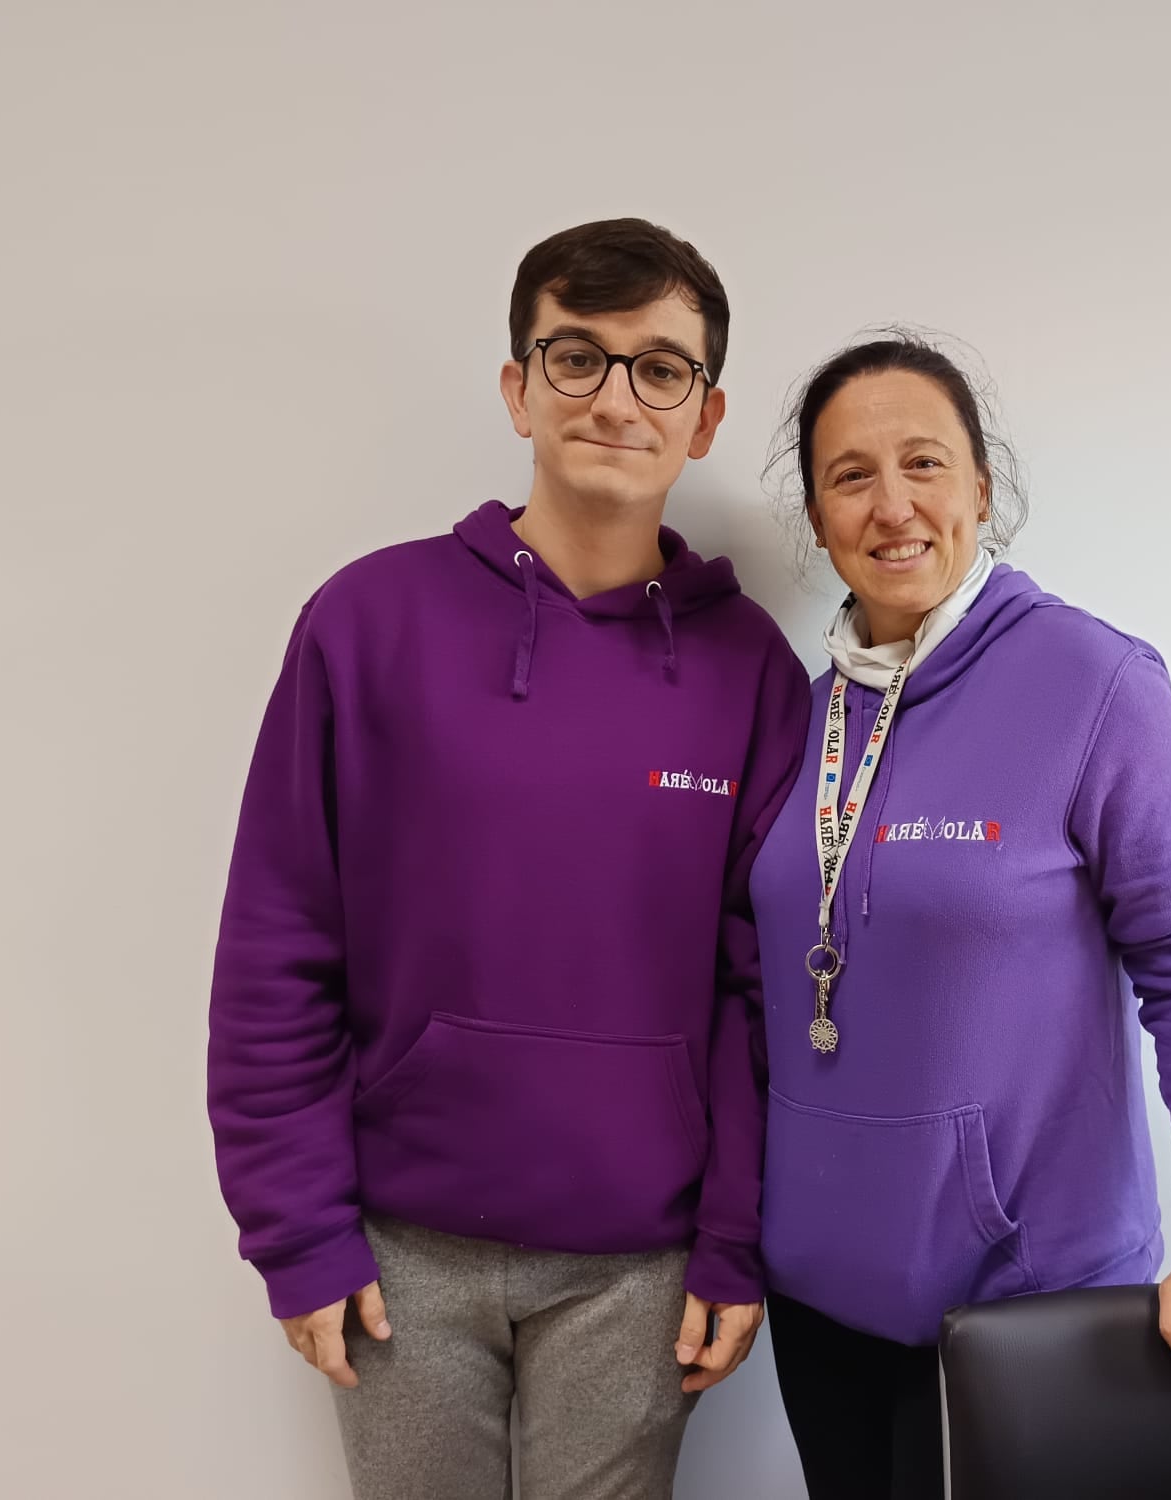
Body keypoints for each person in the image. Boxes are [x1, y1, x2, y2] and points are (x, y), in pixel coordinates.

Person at [208, 218, 810, 1500]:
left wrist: (732, 1244)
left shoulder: (750, 669)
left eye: (658, 368)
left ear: (703, 419)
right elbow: (278, 940)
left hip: (638, 1267)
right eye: (575, 357)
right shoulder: (368, 622)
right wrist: (297, 1232)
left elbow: (765, 991)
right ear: (517, 388)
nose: (612, 397)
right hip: (397, 1253)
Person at [748, 333, 1171, 1499]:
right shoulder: (802, 719)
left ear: (981, 488)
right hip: (819, 1297)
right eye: (850, 475)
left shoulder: (1093, 685)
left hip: (1026, 1297)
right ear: (815, 513)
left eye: (923, 464)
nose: (891, 505)